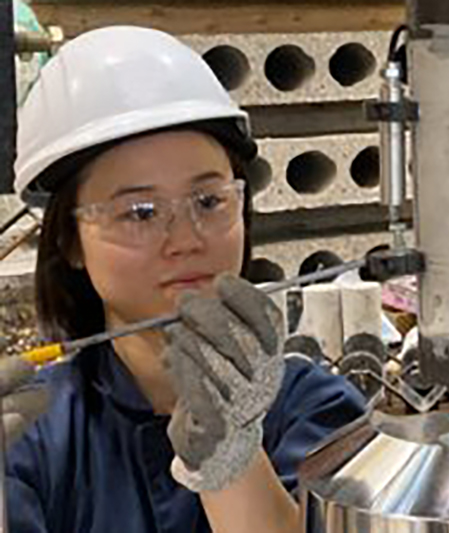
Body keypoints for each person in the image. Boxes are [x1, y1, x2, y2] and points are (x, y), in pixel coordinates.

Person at [4, 25, 366, 532]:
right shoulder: (33, 433)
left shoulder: (314, 409)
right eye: (141, 211)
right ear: (69, 241)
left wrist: (231, 459)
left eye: (209, 201)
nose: (187, 240)